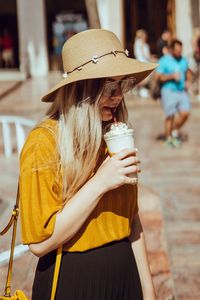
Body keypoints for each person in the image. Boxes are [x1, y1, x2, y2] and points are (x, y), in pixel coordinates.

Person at [19, 29, 157, 299]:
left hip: (126, 279)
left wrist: (148, 290)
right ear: (80, 90)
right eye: (108, 87)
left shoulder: (114, 135)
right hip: (73, 282)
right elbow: (38, 242)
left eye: (123, 84)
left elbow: (132, 219)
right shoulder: (44, 144)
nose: (118, 96)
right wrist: (100, 184)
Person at [156, 39, 192, 147]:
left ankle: (173, 129)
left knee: (185, 113)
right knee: (170, 115)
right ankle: (168, 138)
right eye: (177, 50)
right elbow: (159, 77)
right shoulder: (164, 61)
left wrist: (188, 81)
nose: (179, 52)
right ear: (171, 49)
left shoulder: (183, 60)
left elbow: (187, 72)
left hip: (181, 91)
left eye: (180, 50)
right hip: (168, 90)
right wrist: (171, 76)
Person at [133, 29, 152, 98]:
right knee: (146, 77)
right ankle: (135, 87)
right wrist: (150, 59)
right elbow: (144, 54)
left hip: (141, 61)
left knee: (144, 78)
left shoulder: (136, 42)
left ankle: (138, 88)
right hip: (144, 62)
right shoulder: (141, 43)